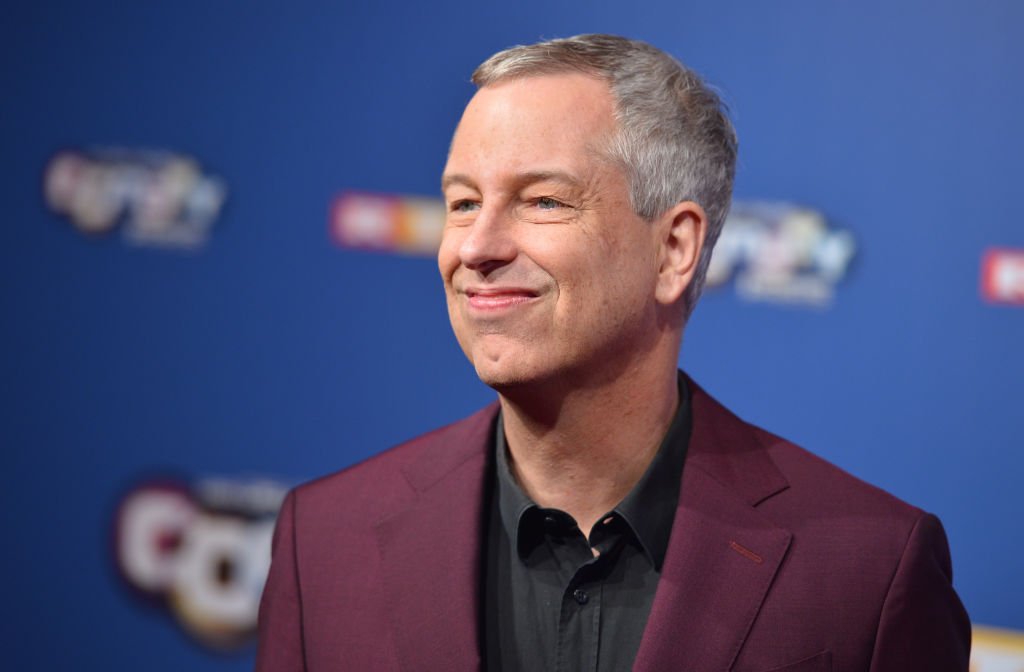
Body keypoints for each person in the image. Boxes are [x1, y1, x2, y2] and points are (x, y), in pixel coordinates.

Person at [256, 34, 970, 671]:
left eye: (542, 201)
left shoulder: (867, 570)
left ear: (674, 249)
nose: (474, 248)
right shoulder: (324, 542)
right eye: (463, 203)